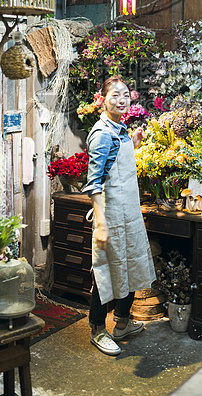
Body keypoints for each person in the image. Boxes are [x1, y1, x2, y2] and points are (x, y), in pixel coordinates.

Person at [82, 76, 156, 356]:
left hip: (129, 213)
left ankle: (123, 324)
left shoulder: (120, 129)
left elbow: (117, 164)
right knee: (107, 272)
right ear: (102, 99)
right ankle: (98, 329)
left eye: (125, 95)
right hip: (111, 216)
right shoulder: (102, 133)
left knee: (131, 266)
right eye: (114, 95)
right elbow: (94, 182)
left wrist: (133, 143)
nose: (121, 99)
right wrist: (101, 224)